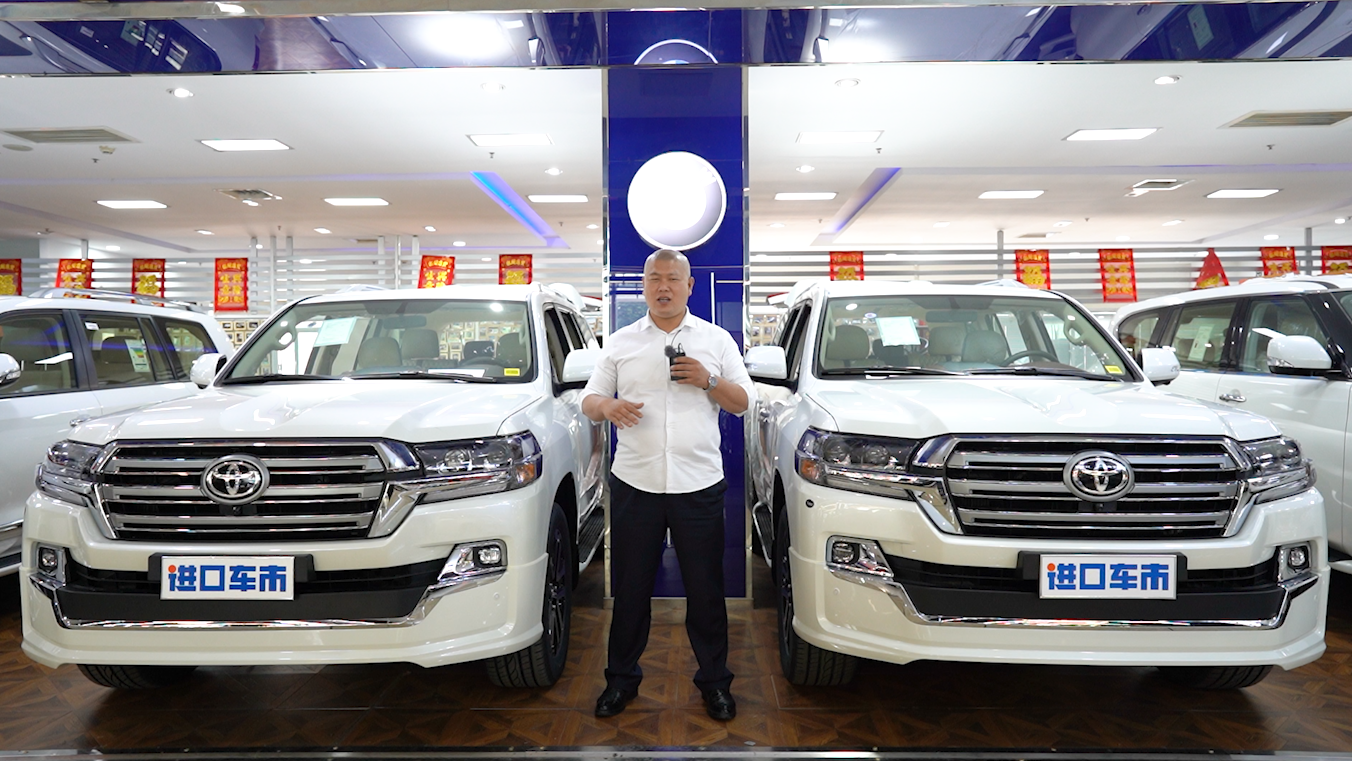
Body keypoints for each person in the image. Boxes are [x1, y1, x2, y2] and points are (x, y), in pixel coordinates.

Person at [581, 248, 754, 722]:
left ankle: (715, 683)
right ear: (643, 286)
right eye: (654, 278)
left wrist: (708, 380)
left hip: (698, 484)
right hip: (635, 483)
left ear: (689, 285)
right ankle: (620, 681)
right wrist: (607, 407)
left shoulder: (716, 340)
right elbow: (589, 399)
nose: (663, 286)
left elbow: (744, 401)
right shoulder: (620, 342)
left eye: (673, 278)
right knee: (630, 589)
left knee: (706, 591)